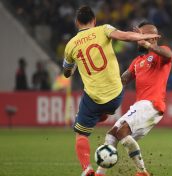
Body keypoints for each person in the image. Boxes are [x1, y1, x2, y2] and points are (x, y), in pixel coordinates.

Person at [62, 6, 160, 176]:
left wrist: (72, 67)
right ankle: (104, 115)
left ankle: (87, 169)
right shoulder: (103, 29)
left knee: (81, 134)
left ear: (77, 22)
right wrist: (145, 37)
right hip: (116, 95)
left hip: (93, 97)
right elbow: (126, 36)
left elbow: (66, 72)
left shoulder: (70, 45)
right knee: (105, 112)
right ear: (94, 20)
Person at [95, 21, 172, 176]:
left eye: (140, 36)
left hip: (151, 104)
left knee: (122, 132)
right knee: (112, 134)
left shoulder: (161, 52)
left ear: (152, 38)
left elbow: (169, 55)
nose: (137, 39)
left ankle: (142, 172)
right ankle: (99, 173)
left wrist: (148, 44)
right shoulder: (137, 61)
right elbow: (123, 80)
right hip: (141, 105)